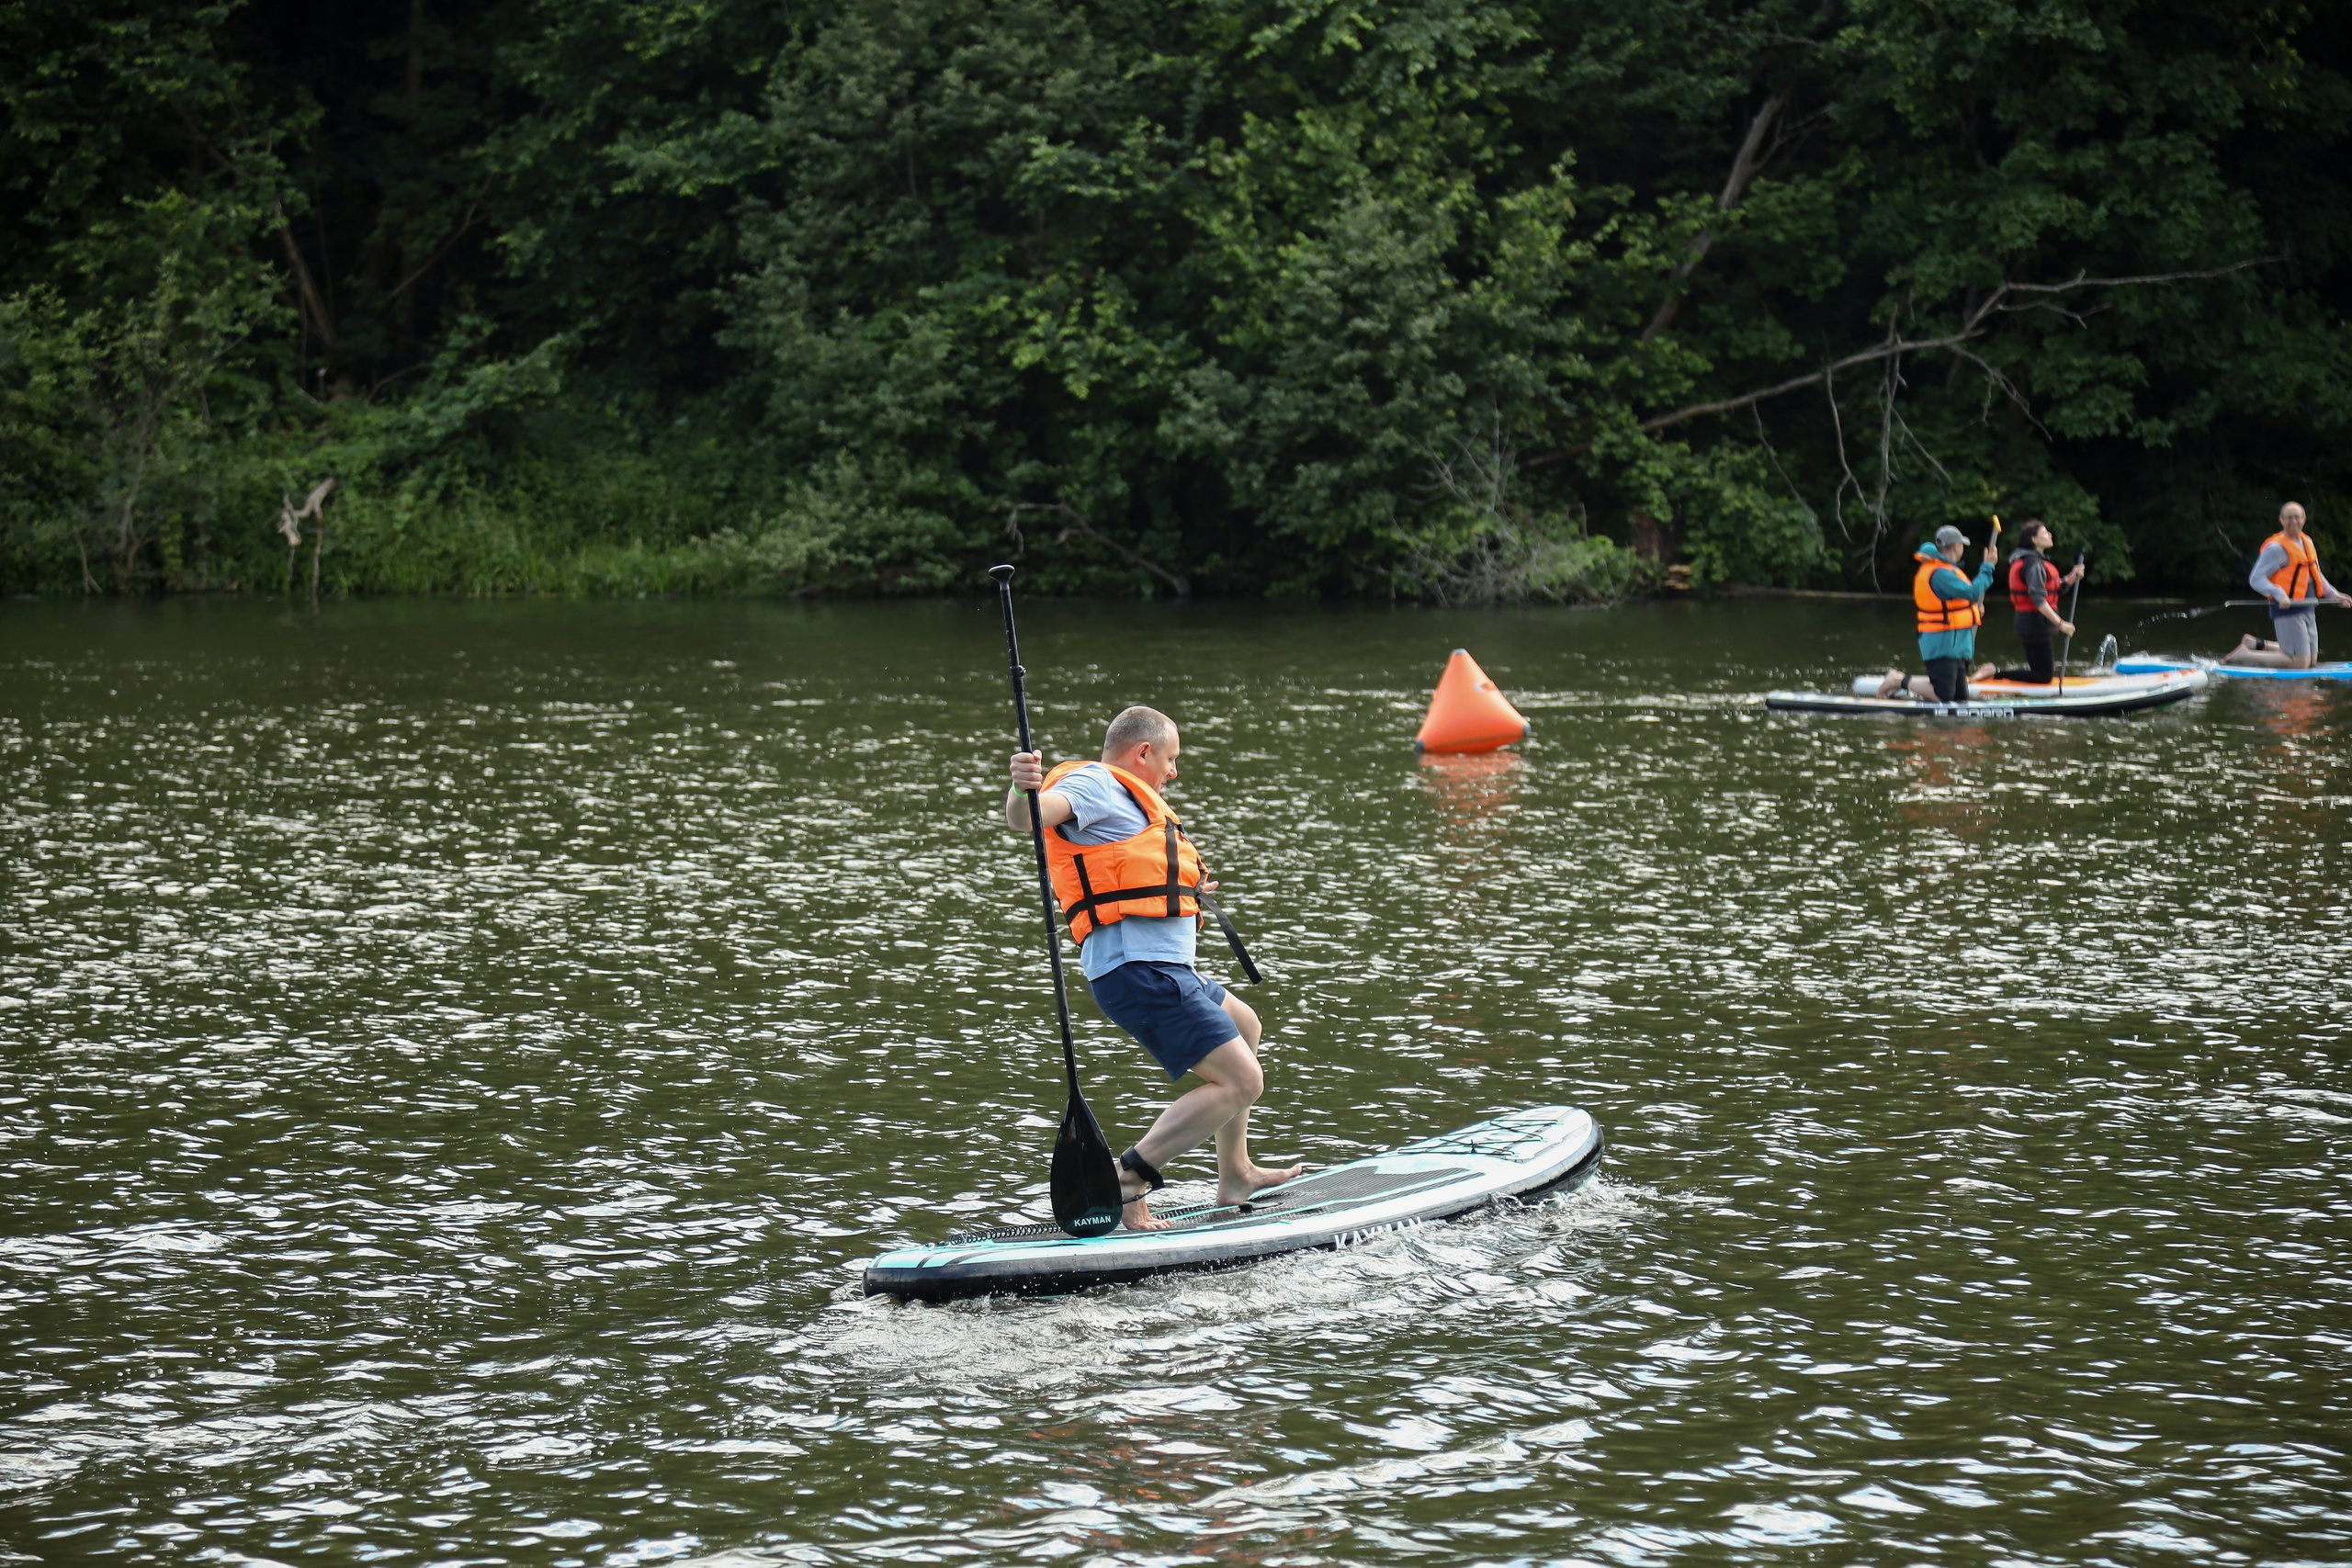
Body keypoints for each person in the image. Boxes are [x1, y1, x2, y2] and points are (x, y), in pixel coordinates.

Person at [1006, 705, 1301, 1229]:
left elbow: (1132, 876)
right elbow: (1030, 817)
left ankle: (1235, 1174)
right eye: (1170, 758)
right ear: (1144, 752)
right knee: (1242, 1081)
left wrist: (1183, 892)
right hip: (1140, 970)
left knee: (1245, 1023)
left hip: (1163, 967)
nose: (1173, 772)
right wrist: (1020, 788)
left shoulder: (1128, 802)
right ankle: (1128, 1178)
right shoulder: (1097, 784)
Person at [1875, 525, 1997, 701]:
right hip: (1942, 642)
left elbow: (1963, 600)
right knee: (1943, 696)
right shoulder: (1940, 573)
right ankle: (1898, 680)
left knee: (1960, 697)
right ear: (1957, 546)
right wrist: (1988, 566)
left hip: (1957, 644)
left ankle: (1912, 683)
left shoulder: (1947, 570)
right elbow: (1971, 592)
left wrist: (1974, 611)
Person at [2223, 502, 2349, 669]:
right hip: (2287, 608)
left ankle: (2255, 643)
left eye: (2297, 517)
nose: (2293, 522)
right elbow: (2256, 578)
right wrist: (2278, 594)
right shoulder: (2275, 548)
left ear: (2304, 519)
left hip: (2308, 605)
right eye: (2288, 518)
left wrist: (2334, 595)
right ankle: (2245, 654)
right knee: (2300, 663)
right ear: (2281, 520)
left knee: (2311, 660)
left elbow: (2316, 574)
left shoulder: (2308, 542)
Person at [1991, 520, 2085, 683]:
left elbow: (2051, 590)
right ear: (2034, 539)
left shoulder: (2034, 562)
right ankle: (1996, 672)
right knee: (2043, 676)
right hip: (2034, 624)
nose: (2050, 535)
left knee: (2042, 672)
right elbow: (2038, 599)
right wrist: (2061, 623)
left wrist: (2070, 579)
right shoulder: (2033, 564)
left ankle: (1998, 672)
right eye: (2044, 533)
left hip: (2033, 624)